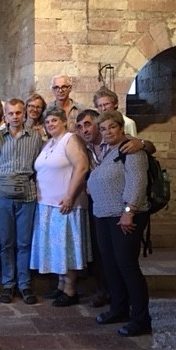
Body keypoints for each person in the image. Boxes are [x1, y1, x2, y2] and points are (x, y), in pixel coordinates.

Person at [86, 111, 152, 337]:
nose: (107, 132)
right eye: (103, 129)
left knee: (127, 266)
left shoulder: (131, 150)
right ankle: (119, 309)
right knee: (110, 265)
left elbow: (137, 182)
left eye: (111, 127)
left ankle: (141, 319)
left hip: (122, 217)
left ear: (121, 128)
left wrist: (128, 211)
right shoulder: (108, 151)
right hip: (104, 216)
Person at [30, 108, 90, 307]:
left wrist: (70, 196)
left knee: (67, 246)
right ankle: (61, 285)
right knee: (56, 248)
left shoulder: (70, 139)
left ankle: (71, 290)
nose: (50, 124)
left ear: (64, 121)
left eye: (55, 120)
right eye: (47, 122)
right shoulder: (49, 143)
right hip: (47, 204)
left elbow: (82, 166)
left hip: (66, 204)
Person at [0, 98, 43, 305]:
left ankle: (24, 284)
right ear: (5, 114)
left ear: (25, 114)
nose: (15, 117)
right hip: (2, 192)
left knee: (24, 242)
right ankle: (7, 283)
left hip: (27, 193)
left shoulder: (35, 137)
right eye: (11, 113)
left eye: (19, 113)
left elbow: (40, 164)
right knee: (6, 242)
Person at [75, 109, 110, 307]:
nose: (84, 130)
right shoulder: (85, 149)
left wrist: (141, 143)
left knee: (114, 252)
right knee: (98, 248)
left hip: (116, 204)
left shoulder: (112, 144)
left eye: (87, 124)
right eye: (80, 127)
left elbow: (146, 147)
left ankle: (118, 294)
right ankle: (103, 290)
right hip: (95, 203)